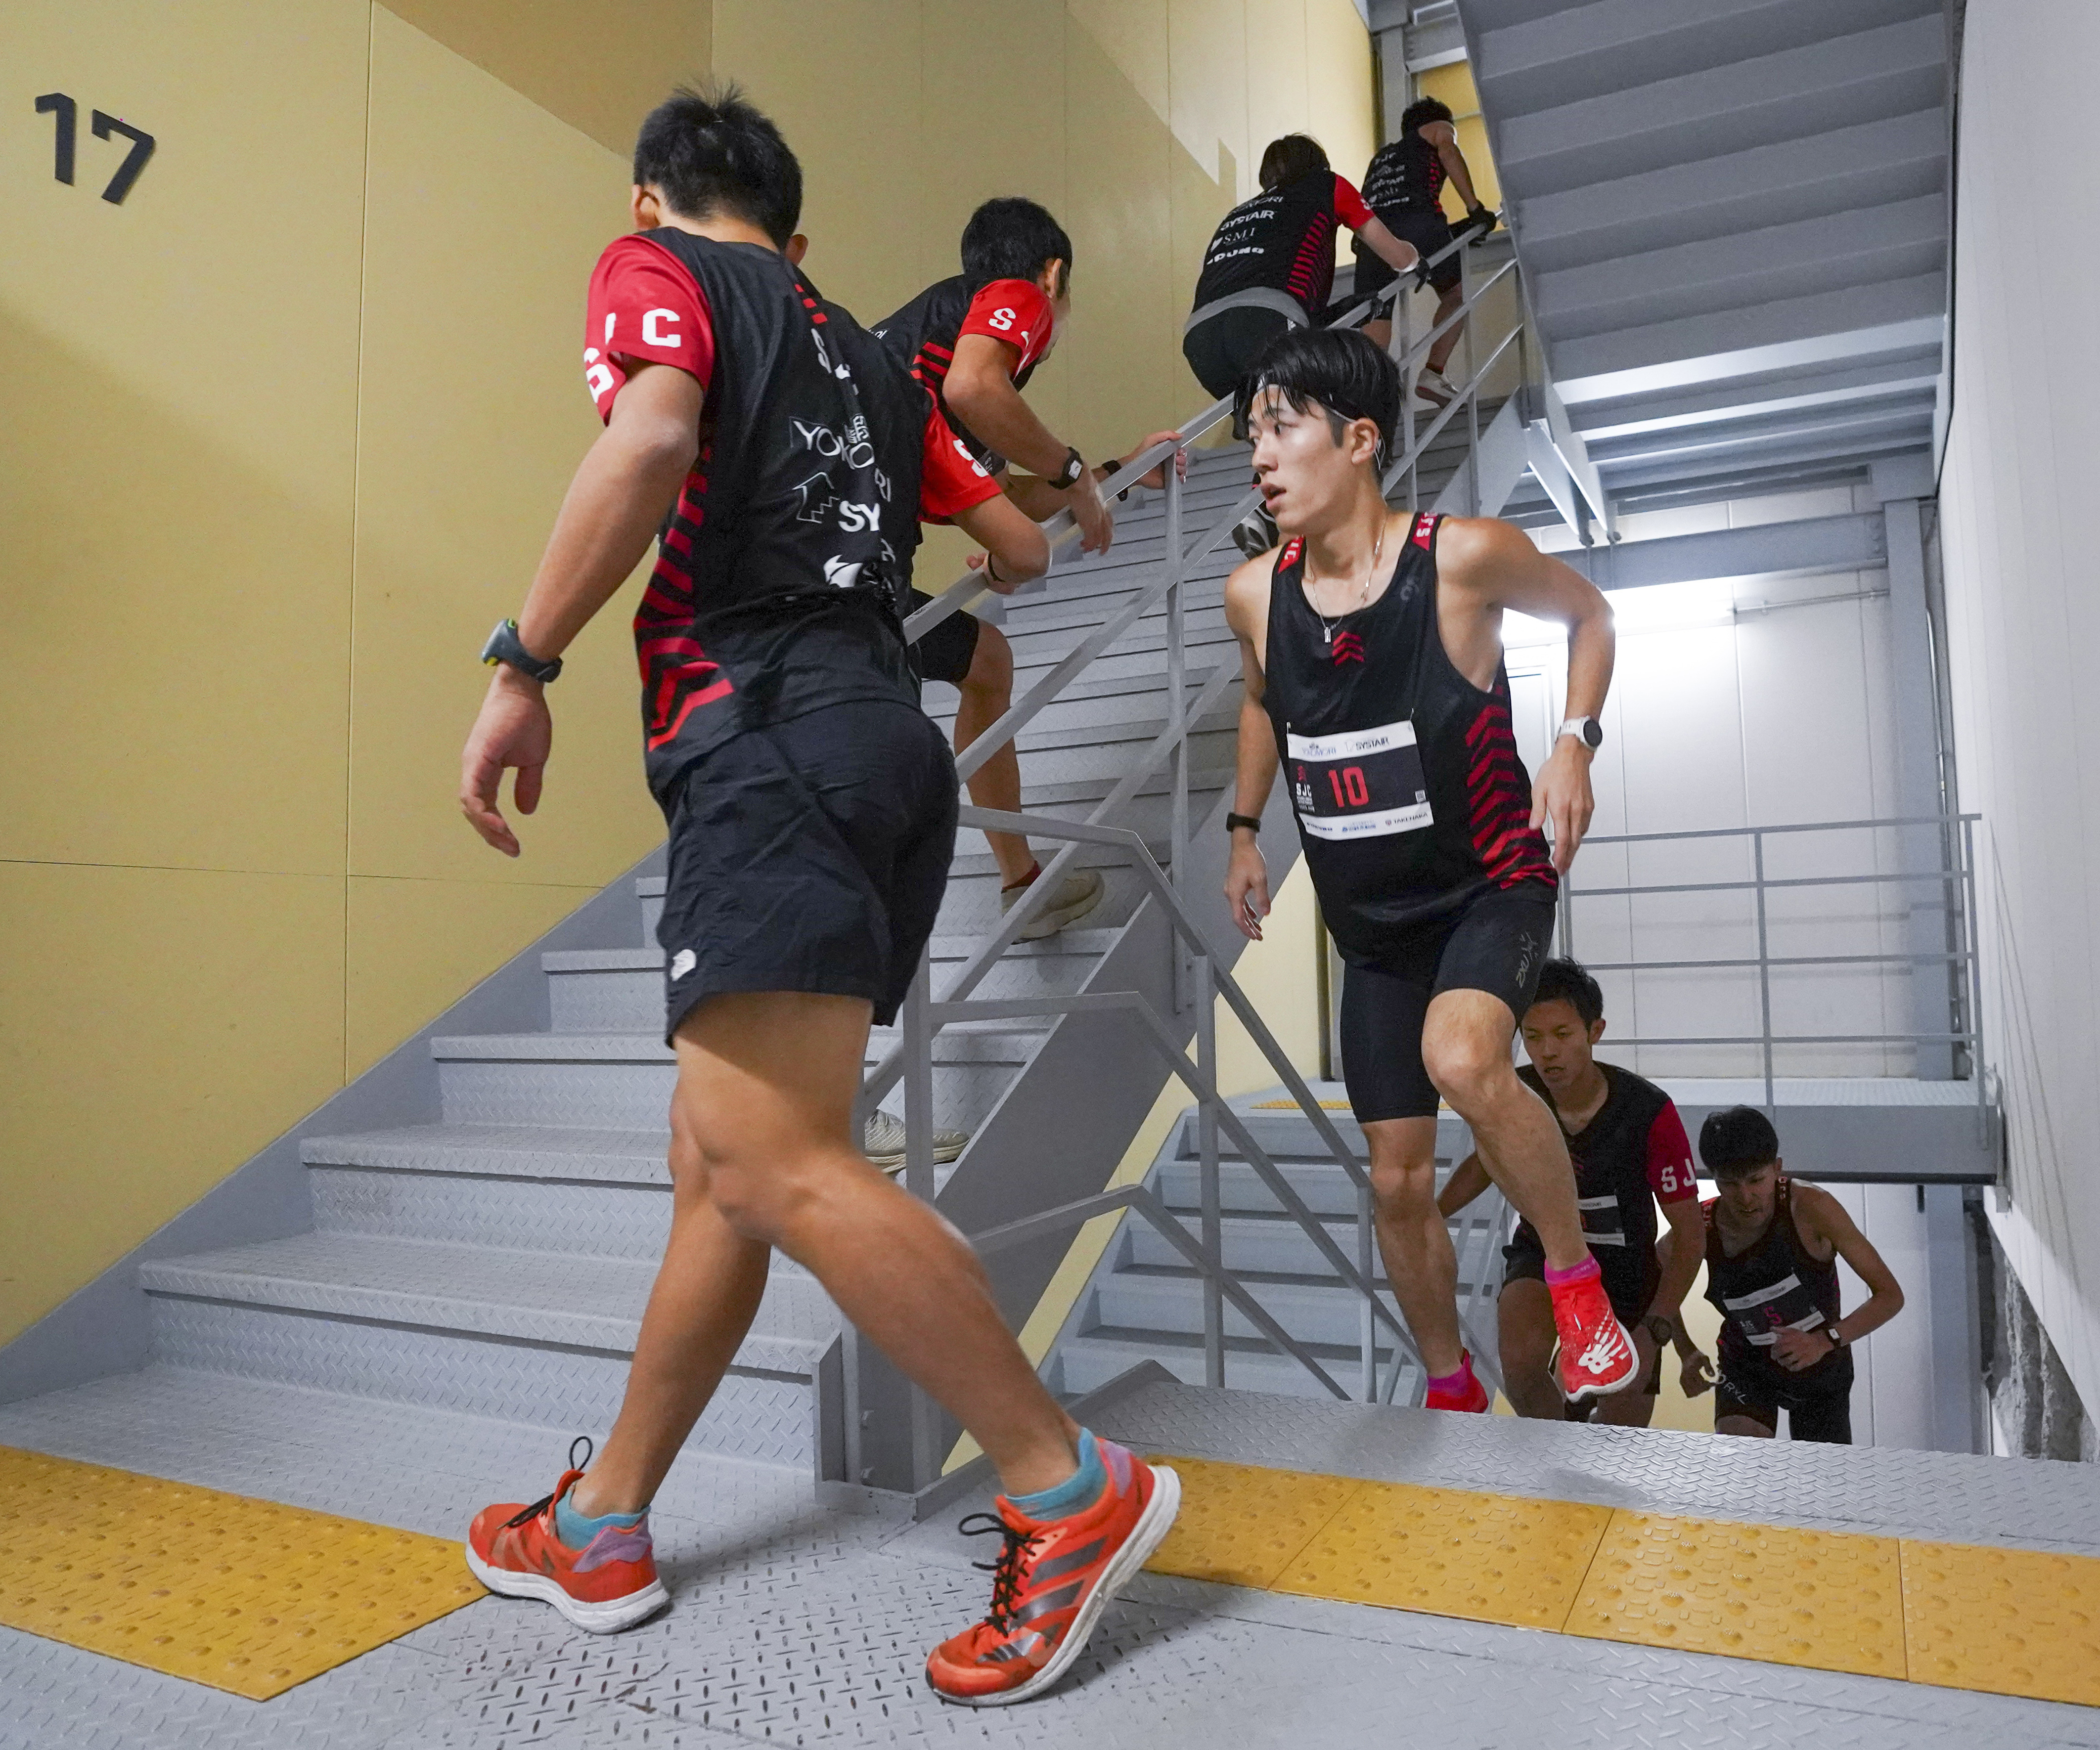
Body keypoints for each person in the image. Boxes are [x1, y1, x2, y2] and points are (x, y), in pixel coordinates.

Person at [452, 86, 1177, 1706]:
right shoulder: (860, 347)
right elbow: (1020, 546)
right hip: (890, 753)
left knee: (775, 1158)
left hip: (764, 740)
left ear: (658, 204)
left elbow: (646, 436)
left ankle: (1067, 1489)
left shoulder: (664, 276)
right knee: (719, 1164)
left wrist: (526, 662)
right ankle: (608, 1521)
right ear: (801, 237)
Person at [1220, 325, 1636, 1415]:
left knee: (1463, 1058)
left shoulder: (1462, 556)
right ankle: (1451, 1384)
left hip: (1491, 882)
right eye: (1251, 435)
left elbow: (1590, 613)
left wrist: (1574, 740)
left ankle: (1577, 1287)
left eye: (1283, 428)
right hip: (1374, 926)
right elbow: (1264, 700)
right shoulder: (1254, 593)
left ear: (1359, 440)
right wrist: (1239, 829)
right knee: (1398, 1181)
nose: (1260, 456)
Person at [875, 198, 1181, 942]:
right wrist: (1075, 472)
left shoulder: (920, 362)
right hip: (843, 564)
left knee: (986, 657)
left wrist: (1113, 473)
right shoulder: (1017, 300)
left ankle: (1021, 880)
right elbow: (976, 389)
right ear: (1054, 273)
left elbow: (1003, 491)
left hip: (840, 553)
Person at [1436, 959, 1702, 1425]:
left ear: (1594, 1031)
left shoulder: (1650, 1112)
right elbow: (1484, 1164)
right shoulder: (1516, 1090)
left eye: (1563, 1035)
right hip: (1543, 1252)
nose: (1547, 1053)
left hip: (1627, 1273)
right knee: (1518, 1362)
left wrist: (1656, 1329)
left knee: (1623, 1434)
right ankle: (1558, 1454)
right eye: (1533, 1037)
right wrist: (1428, 1213)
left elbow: (1691, 1237)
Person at [1183, 134, 1419, 554]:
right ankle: (1266, 504)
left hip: (1202, 342)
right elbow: (1395, 255)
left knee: (1282, 414)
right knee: (1338, 398)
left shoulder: (1240, 212)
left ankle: (1282, 514)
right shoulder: (1326, 186)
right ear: (1319, 164)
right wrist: (1415, 258)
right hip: (1265, 320)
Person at [1665, 1105, 1907, 1444]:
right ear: (1713, 1177)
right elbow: (1656, 1279)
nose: (1746, 1198)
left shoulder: (1811, 1208)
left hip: (1822, 1364)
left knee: (1823, 1483)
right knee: (1743, 1466)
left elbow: (1890, 1296)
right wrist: (1685, 1349)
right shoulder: (1702, 1226)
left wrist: (1826, 1341)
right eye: (1730, 1184)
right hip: (1746, 1367)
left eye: (1756, 1181)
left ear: (1778, 1169)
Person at [1356, 97, 1495, 403]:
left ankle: (1373, 395)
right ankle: (1433, 373)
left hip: (1373, 239)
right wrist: (1475, 210)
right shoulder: (1438, 128)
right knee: (1455, 295)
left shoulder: (1380, 158)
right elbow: (1448, 152)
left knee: (1377, 312)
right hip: (1419, 223)